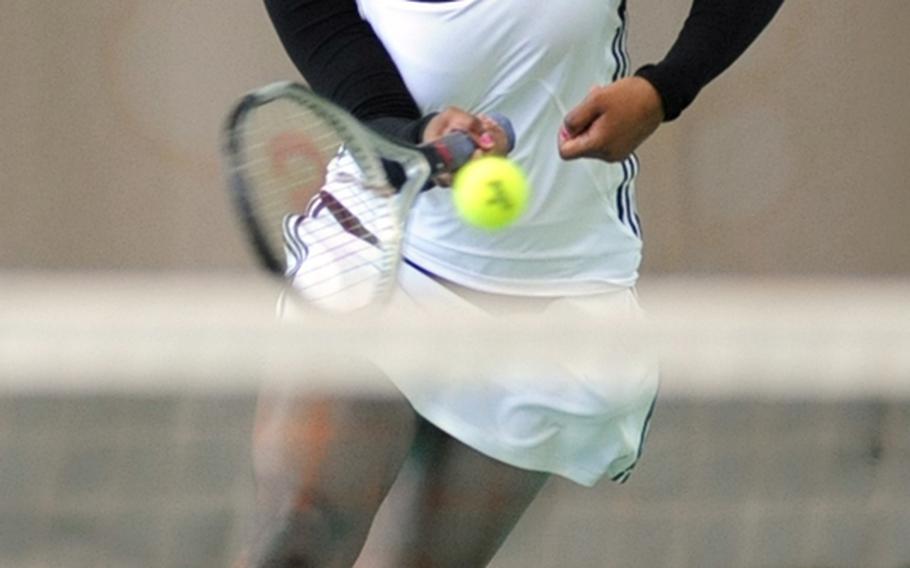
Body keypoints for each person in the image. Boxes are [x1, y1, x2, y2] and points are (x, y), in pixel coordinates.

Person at [241, 0, 784, 566]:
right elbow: (318, 18)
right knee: (296, 533)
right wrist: (408, 130)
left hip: (543, 292)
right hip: (377, 246)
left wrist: (664, 89)